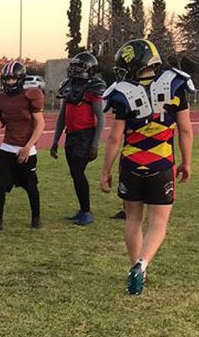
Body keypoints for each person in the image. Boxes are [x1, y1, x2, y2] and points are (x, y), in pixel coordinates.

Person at [100, 39, 194, 295]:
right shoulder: (175, 85)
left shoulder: (122, 92)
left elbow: (114, 138)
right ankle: (142, 265)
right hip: (162, 164)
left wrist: (105, 171)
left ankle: (135, 267)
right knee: (158, 224)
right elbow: (185, 130)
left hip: (131, 166)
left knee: (133, 219)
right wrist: (187, 162)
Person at [0, 61, 46, 232]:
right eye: (7, 79)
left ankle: (36, 217)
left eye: (13, 79)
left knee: (30, 185)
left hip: (26, 148)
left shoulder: (31, 95)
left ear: (20, 79)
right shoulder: (1, 99)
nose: (9, 82)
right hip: (7, 147)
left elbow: (40, 124)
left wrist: (28, 147)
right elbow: (3, 118)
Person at [50, 52, 107, 225]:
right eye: (73, 66)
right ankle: (83, 209)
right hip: (71, 136)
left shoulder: (93, 90)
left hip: (85, 136)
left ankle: (87, 212)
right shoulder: (69, 86)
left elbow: (101, 118)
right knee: (76, 174)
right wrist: (55, 140)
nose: (74, 70)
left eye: (79, 67)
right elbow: (62, 117)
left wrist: (95, 144)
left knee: (78, 173)